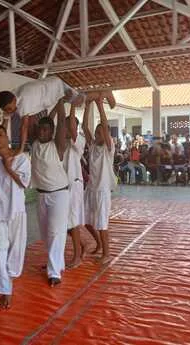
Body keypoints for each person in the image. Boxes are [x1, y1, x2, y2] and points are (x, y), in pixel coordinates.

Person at [0, 125, 31, 309]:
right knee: (0, 250)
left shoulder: (20, 158)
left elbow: (24, 183)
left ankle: (8, 277)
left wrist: (9, 168)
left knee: (16, 249)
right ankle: (5, 289)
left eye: (1, 135)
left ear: (7, 136)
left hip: (16, 209)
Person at [0, 77, 116, 153]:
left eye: (9, 109)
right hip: (50, 84)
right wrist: (0, 143)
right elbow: (4, 124)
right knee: (79, 100)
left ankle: (105, 93)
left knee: (78, 101)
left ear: (14, 100)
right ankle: (103, 94)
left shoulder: (23, 102)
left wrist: (20, 149)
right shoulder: (9, 101)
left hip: (53, 89)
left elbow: (24, 127)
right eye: (6, 110)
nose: (9, 111)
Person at [31, 99, 70, 287]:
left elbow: (60, 123)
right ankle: (56, 262)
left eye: (46, 130)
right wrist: (51, 110)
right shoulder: (35, 144)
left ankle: (54, 272)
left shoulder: (57, 146)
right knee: (46, 234)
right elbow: (43, 121)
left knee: (56, 232)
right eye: (40, 129)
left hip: (59, 195)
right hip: (41, 194)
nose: (41, 132)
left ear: (52, 132)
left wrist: (61, 103)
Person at [82, 95, 117, 265]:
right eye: (96, 132)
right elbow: (83, 126)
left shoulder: (108, 149)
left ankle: (107, 253)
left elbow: (104, 124)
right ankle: (98, 243)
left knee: (102, 223)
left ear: (106, 135)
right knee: (86, 220)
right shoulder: (93, 146)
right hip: (91, 188)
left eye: (101, 132)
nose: (97, 135)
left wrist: (99, 105)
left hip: (102, 190)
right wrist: (88, 105)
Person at [63, 106, 87, 268]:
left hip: (74, 185)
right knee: (64, 224)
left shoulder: (79, 140)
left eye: (69, 125)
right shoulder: (60, 142)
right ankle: (82, 245)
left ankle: (77, 256)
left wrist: (72, 105)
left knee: (72, 222)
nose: (65, 128)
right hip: (62, 187)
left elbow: (71, 127)